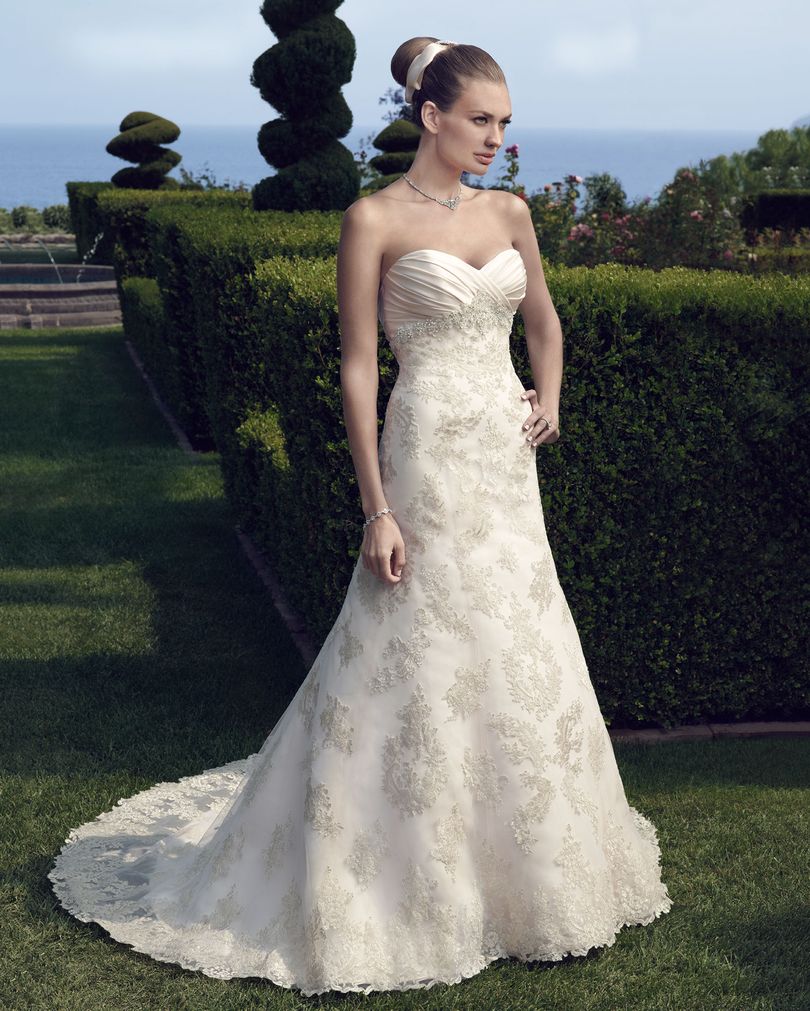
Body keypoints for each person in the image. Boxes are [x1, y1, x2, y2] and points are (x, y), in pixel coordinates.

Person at [47, 36, 673, 998]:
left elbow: (542, 319)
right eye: (480, 120)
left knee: (519, 633)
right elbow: (356, 368)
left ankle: (533, 867)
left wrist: (549, 397)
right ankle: (398, 866)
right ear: (431, 115)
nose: (495, 138)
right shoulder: (371, 219)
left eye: (505, 123)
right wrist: (377, 507)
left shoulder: (510, 210)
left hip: (505, 460)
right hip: (426, 452)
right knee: (416, 639)